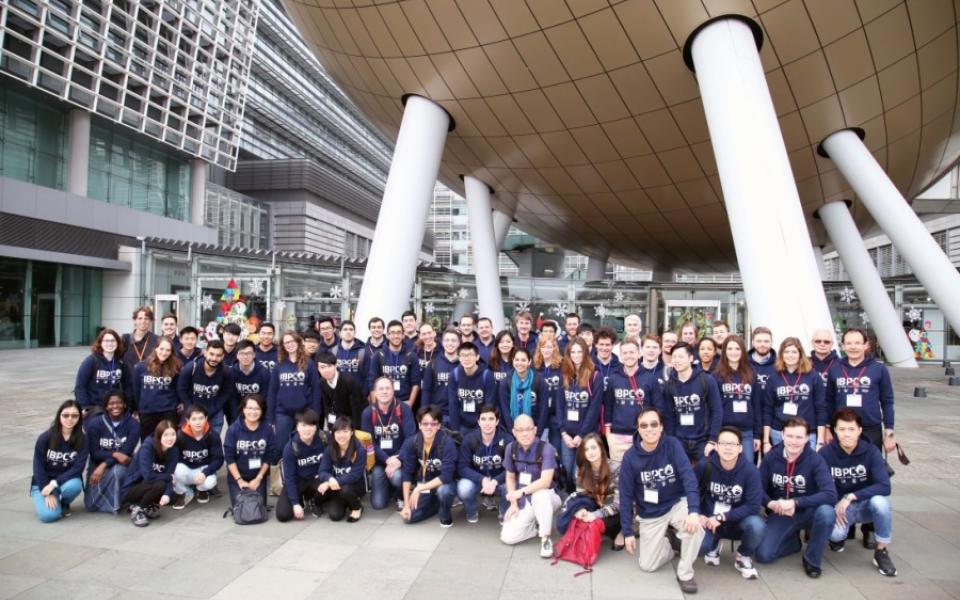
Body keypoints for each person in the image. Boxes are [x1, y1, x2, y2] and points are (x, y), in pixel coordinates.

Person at [620, 407, 704, 594]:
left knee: (696, 527)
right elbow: (625, 497)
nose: (649, 429)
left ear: (661, 427)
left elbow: (688, 477)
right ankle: (670, 542)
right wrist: (627, 531)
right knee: (647, 565)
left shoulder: (672, 445)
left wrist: (694, 511)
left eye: (654, 424)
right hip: (650, 513)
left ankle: (685, 573)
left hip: (675, 503)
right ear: (638, 429)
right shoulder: (630, 458)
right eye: (644, 425)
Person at [756, 417, 837, 578]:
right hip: (781, 512)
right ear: (782, 435)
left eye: (799, 437)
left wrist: (795, 502)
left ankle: (812, 559)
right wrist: (770, 504)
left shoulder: (815, 460)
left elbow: (830, 494)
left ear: (807, 438)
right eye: (790, 436)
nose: (794, 441)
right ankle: (793, 543)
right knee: (763, 555)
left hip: (808, 511)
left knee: (827, 512)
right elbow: (757, 490)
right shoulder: (771, 457)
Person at [821, 409, 897, 576]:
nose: (846, 434)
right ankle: (842, 535)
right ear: (834, 430)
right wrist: (835, 504)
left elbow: (885, 486)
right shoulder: (825, 454)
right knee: (835, 535)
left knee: (881, 503)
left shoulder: (871, 451)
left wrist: (852, 496)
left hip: (864, 504)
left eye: (851, 429)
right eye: (841, 429)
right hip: (840, 507)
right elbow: (820, 487)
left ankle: (881, 551)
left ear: (860, 430)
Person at [695, 427, 765, 579]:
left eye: (732, 444)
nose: (727, 448)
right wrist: (698, 514)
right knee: (699, 548)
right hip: (709, 521)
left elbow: (754, 506)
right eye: (723, 443)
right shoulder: (704, 465)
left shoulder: (750, 471)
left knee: (757, 525)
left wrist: (722, 517)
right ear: (716, 446)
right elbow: (692, 492)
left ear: (740, 448)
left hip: (737, 521)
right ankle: (713, 543)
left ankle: (743, 555)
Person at [825, 328, 896, 454]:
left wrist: (889, 432)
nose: (853, 347)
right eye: (849, 343)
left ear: (865, 345)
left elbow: (887, 402)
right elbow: (829, 401)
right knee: (843, 470)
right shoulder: (835, 369)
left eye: (857, 343)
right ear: (843, 346)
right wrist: (827, 428)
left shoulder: (879, 369)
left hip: (870, 429)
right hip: (842, 430)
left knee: (871, 471)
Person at [500, 414, 562, 556]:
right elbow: (510, 476)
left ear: (535, 430)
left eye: (528, 429)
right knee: (507, 537)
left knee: (539, 495)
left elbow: (545, 482)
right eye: (520, 430)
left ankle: (545, 538)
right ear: (514, 432)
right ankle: (532, 528)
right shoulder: (511, 448)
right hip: (524, 500)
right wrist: (514, 503)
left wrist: (521, 492)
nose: (525, 433)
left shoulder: (546, 449)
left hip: (549, 496)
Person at [557, 432, 623, 550]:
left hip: (616, 510)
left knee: (604, 521)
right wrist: (581, 510)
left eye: (594, 447)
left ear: (601, 448)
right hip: (596, 506)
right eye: (586, 449)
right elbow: (581, 496)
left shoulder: (616, 468)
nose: (590, 452)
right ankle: (593, 531)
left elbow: (619, 504)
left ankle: (622, 532)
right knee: (575, 514)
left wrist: (594, 515)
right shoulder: (581, 469)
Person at [763, 337, 827, 454]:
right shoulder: (774, 377)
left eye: (794, 352)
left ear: (800, 354)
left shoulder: (813, 376)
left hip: (807, 433)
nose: (790, 355)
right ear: (781, 354)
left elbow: (821, 408)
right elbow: (768, 409)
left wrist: (820, 440)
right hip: (779, 432)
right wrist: (766, 441)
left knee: (806, 469)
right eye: (786, 352)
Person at [661, 342, 723, 462]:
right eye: (674, 357)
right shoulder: (669, 385)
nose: (677, 360)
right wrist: (671, 441)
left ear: (691, 358)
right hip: (680, 440)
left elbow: (717, 411)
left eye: (681, 356)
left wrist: (712, 439)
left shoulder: (706, 380)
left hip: (703, 440)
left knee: (707, 474)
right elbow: (668, 416)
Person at [362, 377, 416, 510]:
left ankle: (400, 494)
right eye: (380, 389)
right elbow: (369, 443)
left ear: (393, 391)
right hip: (381, 460)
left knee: (397, 477)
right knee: (378, 504)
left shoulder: (404, 409)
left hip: (400, 459)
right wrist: (387, 460)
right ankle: (390, 488)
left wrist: (398, 458)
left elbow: (411, 437)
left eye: (388, 388)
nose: (384, 392)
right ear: (374, 392)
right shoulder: (368, 413)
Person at [399, 406, 457, 526]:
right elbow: (407, 474)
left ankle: (445, 512)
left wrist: (418, 488)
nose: (429, 427)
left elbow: (446, 477)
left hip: (444, 483)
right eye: (425, 424)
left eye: (433, 423)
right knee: (409, 517)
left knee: (444, 491)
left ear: (439, 425)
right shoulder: (413, 442)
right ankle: (435, 504)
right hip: (425, 482)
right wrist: (406, 505)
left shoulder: (447, 442)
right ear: (419, 425)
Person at [557, 338, 602, 492]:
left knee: (582, 471)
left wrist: (581, 435)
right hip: (567, 435)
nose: (576, 355)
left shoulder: (595, 376)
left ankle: (583, 500)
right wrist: (563, 433)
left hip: (586, 434)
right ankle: (571, 497)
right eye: (573, 352)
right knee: (568, 471)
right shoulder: (564, 376)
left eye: (579, 351)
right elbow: (560, 406)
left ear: (585, 353)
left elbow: (594, 409)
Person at [604, 338, 659, 463]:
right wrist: (608, 435)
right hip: (617, 438)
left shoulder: (650, 378)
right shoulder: (613, 378)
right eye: (625, 353)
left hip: (643, 436)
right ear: (620, 356)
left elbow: (658, 408)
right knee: (618, 477)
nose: (628, 356)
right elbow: (608, 407)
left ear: (639, 354)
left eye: (632, 352)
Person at [31, 400, 87, 522]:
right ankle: (53, 500)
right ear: (59, 416)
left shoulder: (83, 440)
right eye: (65, 415)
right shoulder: (45, 437)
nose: (70, 419)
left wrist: (54, 484)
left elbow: (78, 468)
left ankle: (64, 502)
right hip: (43, 483)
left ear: (79, 418)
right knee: (49, 516)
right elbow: (38, 466)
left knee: (75, 486)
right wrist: (46, 491)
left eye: (74, 415)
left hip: (64, 481)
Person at [84, 391, 139, 514]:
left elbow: (125, 454)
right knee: (90, 506)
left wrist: (104, 465)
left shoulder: (133, 425)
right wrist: (114, 454)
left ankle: (117, 503)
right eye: (111, 404)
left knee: (117, 472)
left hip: (121, 465)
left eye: (119, 403)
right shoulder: (95, 423)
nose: (115, 406)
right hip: (97, 464)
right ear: (106, 406)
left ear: (124, 405)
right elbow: (94, 453)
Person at [458, 404, 513, 522]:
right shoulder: (469, 439)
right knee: (463, 488)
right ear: (478, 421)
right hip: (478, 480)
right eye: (483, 419)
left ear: (497, 421)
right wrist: (481, 479)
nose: (487, 423)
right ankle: (472, 511)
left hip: (499, 481)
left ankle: (504, 513)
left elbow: (512, 468)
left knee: (511, 485)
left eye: (491, 419)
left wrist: (495, 481)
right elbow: (462, 467)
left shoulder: (508, 440)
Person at [268, 331, 321, 450]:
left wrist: (315, 413)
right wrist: (270, 417)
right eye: (286, 342)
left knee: (303, 446)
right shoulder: (279, 365)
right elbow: (272, 391)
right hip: (282, 413)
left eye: (292, 341)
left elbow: (315, 389)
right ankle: (284, 468)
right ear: (283, 346)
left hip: (304, 413)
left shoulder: (309, 363)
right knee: (282, 446)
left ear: (298, 342)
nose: (289, 344)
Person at [120, 420, 178, 527]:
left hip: (152, 484)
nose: (170, 438)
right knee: (160, 485)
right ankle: (138, 510)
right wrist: (169, 477)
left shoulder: (174, 451)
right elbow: (148, 476)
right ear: (159, 435)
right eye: (166, 435)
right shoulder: (148, 447)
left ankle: (146, 505)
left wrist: (167, 494)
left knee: (173, 497)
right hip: (133, 487)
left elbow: (170, 474)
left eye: (173, 434)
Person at [714, 335, 763, 464]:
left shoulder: (752, 373)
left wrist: (757, 435)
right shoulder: (716, 375)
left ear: (742, 351)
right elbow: (714, 408)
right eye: (730, 349)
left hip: (747, 431)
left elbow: (757, 405)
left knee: (748, 466)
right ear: (724, 351)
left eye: (737, 349)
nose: (734, 352)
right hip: (724, 430)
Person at [224, 394, 277, 506]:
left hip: (258, 475)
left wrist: (258, 478)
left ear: (262, 411)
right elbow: (229, 458)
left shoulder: (267, 429)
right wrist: (239, 480)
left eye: (257, 408)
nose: (253, 412)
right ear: (243, 409)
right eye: (250, 408)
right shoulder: (233, 429)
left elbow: (269, 456)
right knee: (242, 507)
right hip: (238, 476)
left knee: (258, 507)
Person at [276, 408, 327, 522]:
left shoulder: (324, 439)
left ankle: (315, 500)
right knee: (283, 515)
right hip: (298, 481)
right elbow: (289, 478)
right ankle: (300, 499)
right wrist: (295, 504)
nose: (307, 429)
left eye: (311, 425)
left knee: (333, 485)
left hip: (317, 478)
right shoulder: (290, 447)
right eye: (303, 425)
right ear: (297, 427)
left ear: (316, 427)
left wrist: (325, 475)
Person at [317, 416, 367, 521]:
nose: (341, 435)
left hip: (354, 485)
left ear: (352, 432)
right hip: (335, 485)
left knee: (346, 490)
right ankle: (344, 502)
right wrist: (330, 479)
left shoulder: (360, 450)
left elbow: (355, 475)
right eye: (338, 432)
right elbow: (322, 471)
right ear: (333, 433)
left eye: (345, 431)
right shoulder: (330, 449)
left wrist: (330, 483)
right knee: (335, 515)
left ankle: (357, 507)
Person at [173, 404, 223, 508]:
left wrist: (205, 473)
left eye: (201, 418)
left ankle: (202, 490)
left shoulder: (212, 435)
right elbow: (174, 457)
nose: (198, 422)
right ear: (188, 420)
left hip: (203, 468)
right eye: (194, 419)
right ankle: (183, 492)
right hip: (186, 468)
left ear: (206, 419)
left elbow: (218, 459)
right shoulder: (180, 436)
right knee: (177, 472)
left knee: (210, 482)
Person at [134, 336, 182, 442]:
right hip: (147, 411)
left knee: (168, 441)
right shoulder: (141, 367)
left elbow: (178, 388)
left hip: (168, 411)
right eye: (161, 349)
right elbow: (136, 390)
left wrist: (179, 403)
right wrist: (138, 409)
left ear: (171, 352)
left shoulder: (176, 367)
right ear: (156, 348)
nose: (164, 352)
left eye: (168, 350)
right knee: (148, 442)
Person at [177, 339, 230, 435]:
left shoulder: (225, 372)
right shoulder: (191, 367)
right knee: (188, 444)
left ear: (222, 356)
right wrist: (190, 407)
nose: (214, 358)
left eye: (218, 355)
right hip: (192, 411)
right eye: (211, 354)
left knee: (212, 445)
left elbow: (226, 393)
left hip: (214, 414)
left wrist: (214, 409)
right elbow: (181, 389)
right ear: (205, 353)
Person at [367, 320, 422, 408]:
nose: (396, 336)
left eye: (399, 333)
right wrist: (376, 405)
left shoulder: (411, 356)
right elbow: (372, 382)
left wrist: (410, 404)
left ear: (403, 335)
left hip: (404, 402)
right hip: (383, 402)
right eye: (392, 333)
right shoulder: (378, 355)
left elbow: (416, 383)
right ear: (387, 335)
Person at [75, 328, 131, 414]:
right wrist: (85, 407)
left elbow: (128, 386)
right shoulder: (91, 361)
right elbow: (80, 386)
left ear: (117, 343)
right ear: (100, 343)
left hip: (114, 409)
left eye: (113, 340)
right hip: (95, 409)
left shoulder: (121, 363)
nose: (110, 343)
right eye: (106, 341)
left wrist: (127, 404)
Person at [447, 342, 496, 437]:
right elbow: (453, 404)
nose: (466, 358)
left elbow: (489, 404)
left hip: (481, 425)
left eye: (470, 355)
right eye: (463, 355)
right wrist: (455, 430)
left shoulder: (487, 375)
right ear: (459, 358)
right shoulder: (454, 374)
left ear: (477, 357)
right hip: (462, 425)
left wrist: (484, 427)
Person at [498, 348, 548, 432]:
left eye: (523, 360)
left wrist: (538, 430)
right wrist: (512, 430)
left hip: (534, 428)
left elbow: (543, 408)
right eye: (517, 360)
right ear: (513, 361)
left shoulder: (539, 380)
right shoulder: (506, 382)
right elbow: (504, 409)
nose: (520, 363)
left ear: (529, 362)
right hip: (513, 430)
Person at [317, 351, 364, 430]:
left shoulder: (348, 381)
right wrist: (331, 427)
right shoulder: (322, 382)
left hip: (353, 418)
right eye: (322, 367)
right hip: (338, 418)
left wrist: (355, 429)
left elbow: (357, 409)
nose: (326, 370)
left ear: (336, 365)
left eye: (329, 366)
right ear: (318, 369)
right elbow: (327, 406)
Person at [420, 329, 460, 423]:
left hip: (459, 415)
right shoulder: (433, 364)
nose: (450, 343)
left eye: (453, 341)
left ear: (458, 343)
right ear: (442, 342)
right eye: (447, 340)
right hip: (438, 415)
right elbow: (426, 391)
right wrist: (425, 413)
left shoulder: (464, 364)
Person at [534, 334, 564, 454]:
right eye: (543, 347)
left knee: (555, 450)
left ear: (554, 348)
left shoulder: (561, 366)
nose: (546, 350)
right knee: (539, 450)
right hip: (540, 416)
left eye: (549, 347)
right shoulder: (535, 367)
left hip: (555, 415)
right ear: (539, 348)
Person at [229, 339, 270, 425]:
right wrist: (236, 417)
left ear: (254, 355)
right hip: (237, 413)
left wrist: (258, 415)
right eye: (242, 353)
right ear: (237, 355)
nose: (245, 357)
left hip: (257, 412)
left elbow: (265, 397)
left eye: (248, 353)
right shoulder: (231, 372)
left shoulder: (264, 372)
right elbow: (231, 398)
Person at [122, 306, 158, 375]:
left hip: (147, 382)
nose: (143, 321)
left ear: (151, 321)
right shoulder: (125, 339)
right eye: (140, 318)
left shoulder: (156, 340)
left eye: (146, 319)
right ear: (135, 320)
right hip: (128, 383)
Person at [335, 320, 368, 389]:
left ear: (355, 332)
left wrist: (363, 394)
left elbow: (368, 376)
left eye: (351, 329)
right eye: (345, 329)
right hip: (338, 394)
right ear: (340, 333)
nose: (348, 332)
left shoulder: (363, 351)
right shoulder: (333, 351)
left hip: (358, 394)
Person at [748, 326, 777, 395]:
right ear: (752, 342)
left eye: (766, 341)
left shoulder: (779, 365)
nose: (762, 344)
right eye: (759, 341)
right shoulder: (743, 363)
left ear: (771, 342)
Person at [592, 327, 621, 392]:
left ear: (613, 345)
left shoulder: (620, 367)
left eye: (607, 345)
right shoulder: (588, 366)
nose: (604, 348)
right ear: (596, 345)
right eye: (601, 344)